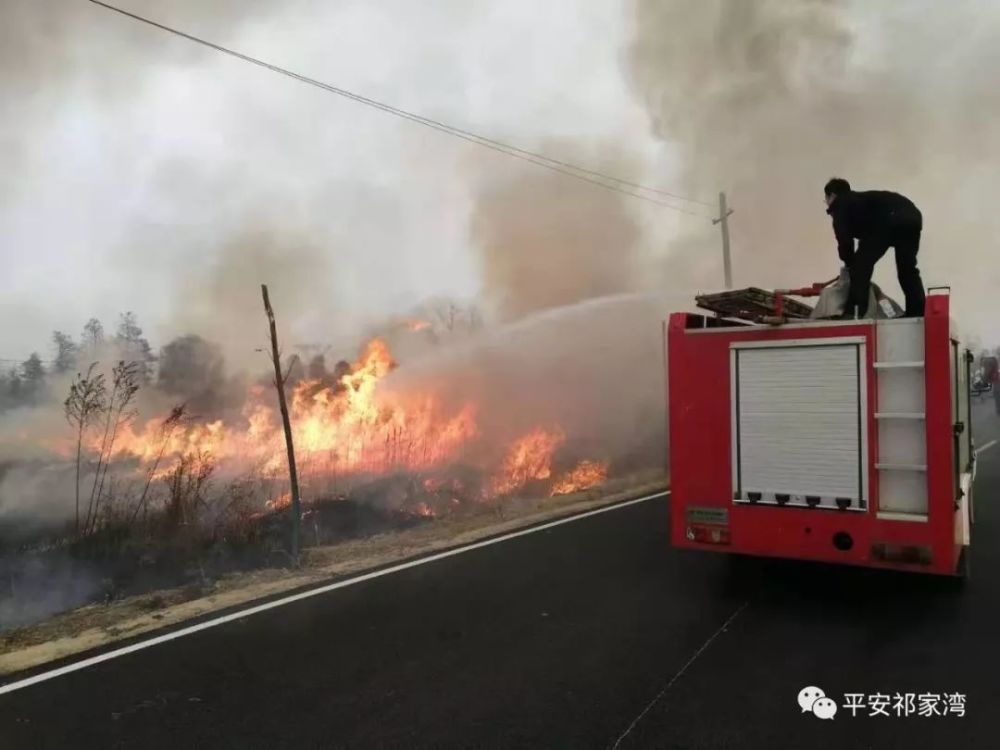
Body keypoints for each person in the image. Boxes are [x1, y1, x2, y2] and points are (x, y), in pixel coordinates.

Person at [824, 177, 926, 318]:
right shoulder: (861, 201)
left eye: (826, 200)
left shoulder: (840, 204)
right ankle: (917, 311)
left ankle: (855, 312)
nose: (827, 204)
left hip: (886, 220)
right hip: (912, 216)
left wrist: (849, 264)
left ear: (832, 196)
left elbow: (844, 241)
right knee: (907, 269)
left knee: (860, 267)